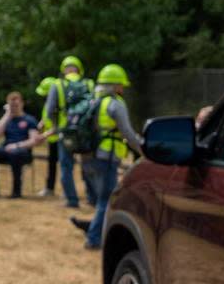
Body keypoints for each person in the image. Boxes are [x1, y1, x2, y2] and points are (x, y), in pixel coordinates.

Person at [70, 64, 144, 250]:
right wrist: (143, 149)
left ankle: (95, 229)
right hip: (106, 157)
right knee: (106, 200)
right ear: (116, 85)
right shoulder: (115, 104)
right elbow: (127, 132)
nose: (123, 88)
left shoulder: (93, 101)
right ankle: (94, 238)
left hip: (88, 156)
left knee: (101, 198)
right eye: (122, 85)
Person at [34, 56, 93, 208]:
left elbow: (48, 111)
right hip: (86, 132)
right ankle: (92, 197)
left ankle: (72, 200)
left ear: (63, 70)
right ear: (79, 69)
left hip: (65, 132)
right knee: (87, 164)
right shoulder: (89, 84)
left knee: (66, 167)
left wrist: (51, 127)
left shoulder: (58, 85)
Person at [0, 91, 39, 197]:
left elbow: (33, 141)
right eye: (11, 105)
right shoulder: (7, 119)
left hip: (23, 152)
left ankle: (16, 192)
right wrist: (7, 115)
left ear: (22, 104)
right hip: (6, 150)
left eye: (16, 105)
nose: (14, 107)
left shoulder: (29, 120)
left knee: (15, 154)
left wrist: (17, 145)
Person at [34, 76, 59, 197]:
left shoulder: (58, 105)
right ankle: (50, 188)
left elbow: (58, 127)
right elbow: (46, 117)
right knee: (52, 164)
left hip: (60, 139)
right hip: (52, 139)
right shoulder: (49, 104)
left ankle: (67, 191)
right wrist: (41, 124)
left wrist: (43, 135)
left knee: (65, 167)